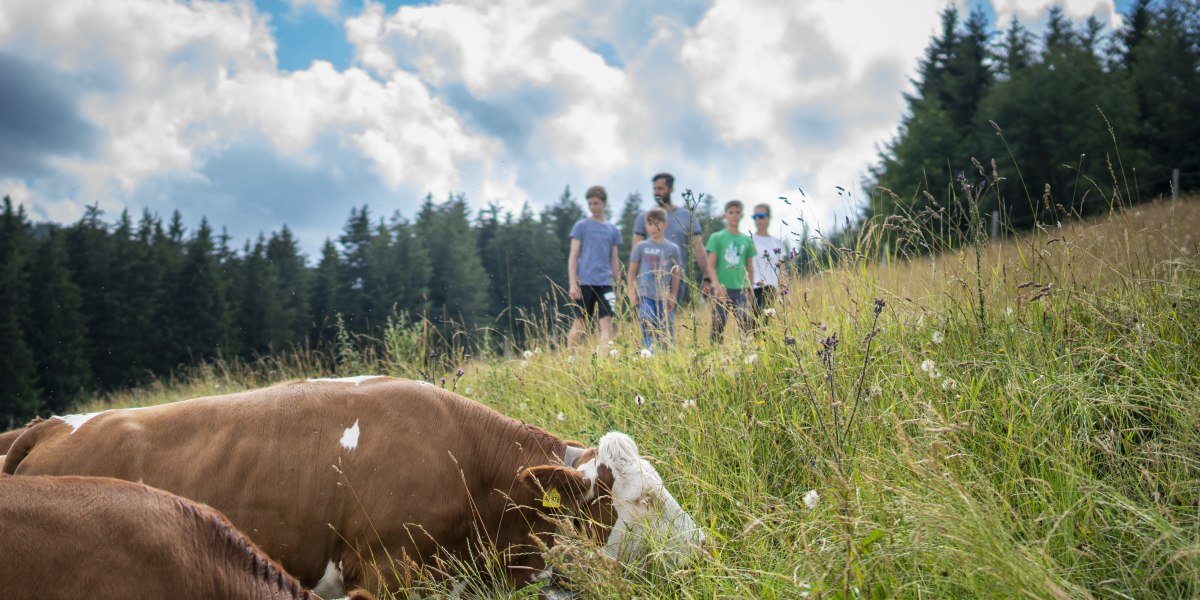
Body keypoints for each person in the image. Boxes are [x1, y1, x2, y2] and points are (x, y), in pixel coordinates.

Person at [631, 173, 714, 308]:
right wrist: (632, 286)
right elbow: (635, 254)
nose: (657, 192)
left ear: (671, 189)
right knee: (648, 323)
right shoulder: (643, 218)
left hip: (674, 281)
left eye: (661, 188)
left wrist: (707, 278)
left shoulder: (687, 217)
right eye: (655, 189)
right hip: (646, 282)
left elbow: (699, 250)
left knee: (667, 323)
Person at [567, 185, 622, 349]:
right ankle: (571, 359)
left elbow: (614, 258)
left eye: (596, 203)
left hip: (605, 282)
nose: (593, 207)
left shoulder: (612, 230)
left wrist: (617, 284)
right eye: (590, 203)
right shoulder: (581, 226)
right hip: (584, 282)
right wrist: (572, 283)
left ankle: (604, 361)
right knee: (580, 322)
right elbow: (573, 256)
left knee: (607, 324)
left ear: (604, 203)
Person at [626, 208, 682, 352]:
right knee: (647, 320)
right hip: (645, 294)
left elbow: (676, 273)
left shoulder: (672, 248)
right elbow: (632, 270)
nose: (654, 228)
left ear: (665, 225)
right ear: (646, 227)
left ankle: (667, 355)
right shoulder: (641, 247)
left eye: (657, 224)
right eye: (650, 224)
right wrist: (632, 292)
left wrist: (673, 295)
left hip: (664, 295)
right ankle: (649, 351)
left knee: (666, 327)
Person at [706, 199, 755, 343]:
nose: (734, 215)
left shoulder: (747, 240)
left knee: (745, 323)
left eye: (737, 212)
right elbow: (711, 265)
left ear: (742, 215)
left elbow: (749, 267)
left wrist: (750, 288)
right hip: (723, 289)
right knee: (718, 323)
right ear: (725, 216)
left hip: (741, 290)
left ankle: (747, 353)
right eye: (731, 212)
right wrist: (716, 285)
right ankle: (715, 354)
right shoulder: (717, 238)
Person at [749, 202, 786, 324]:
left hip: (772, 291)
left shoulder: (777, 243)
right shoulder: (750, 241)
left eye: (761, 215)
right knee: (754, 326)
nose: (758, 219)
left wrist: (785, 292)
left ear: (769, 217)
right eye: (755, 217)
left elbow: (783, 270)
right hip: (755, 290)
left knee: (766, 326)